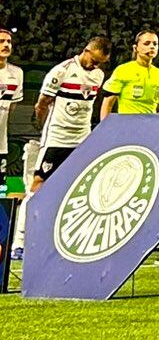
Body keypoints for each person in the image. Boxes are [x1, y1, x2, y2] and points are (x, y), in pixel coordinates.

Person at [19, 33, 110, 254]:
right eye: (94, 59)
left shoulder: (98, 75)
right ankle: (20, 240)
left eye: (100, 63)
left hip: (82, 139)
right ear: (86, 51)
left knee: (78, 188)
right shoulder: (62, 71)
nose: (96, 65)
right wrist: (43, 130)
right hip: (57, 138)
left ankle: (69, 239)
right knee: (38, 183)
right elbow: (41, 104)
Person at [100, 29, 159, 120]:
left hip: (150, 127)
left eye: (155, 44)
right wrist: (105, 128)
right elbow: (108, 103)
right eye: (147, 43)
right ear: (136, 48)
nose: (152, 47)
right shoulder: (123, 70)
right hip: (128, 126)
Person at [0, 27, 20, 255]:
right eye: (1, 41)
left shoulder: (17, 74)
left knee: (3, 193)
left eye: (8, 41)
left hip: (2, 146)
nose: (6, 45)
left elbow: (11, 107)